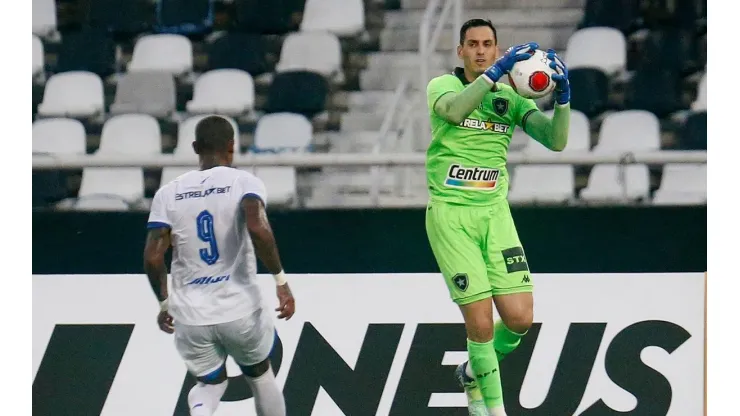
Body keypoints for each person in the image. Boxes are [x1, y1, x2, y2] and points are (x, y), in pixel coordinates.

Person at [424, 19, 571, 416]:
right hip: (452, 216)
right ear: (461, 51)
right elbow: (454, 113)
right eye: (472, 44)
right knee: (482, 325)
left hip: (495, 215)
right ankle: (492, 408)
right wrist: (493, 73)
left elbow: (556, 141)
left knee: (520, 319)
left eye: (488, 44)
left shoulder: (511, 99)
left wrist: (563, 100)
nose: (480, 51)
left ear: (496, 47)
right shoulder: (444, 87)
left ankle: (473, 373)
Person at [143, 115, 295, 416]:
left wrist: (163, 302)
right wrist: (280, 281)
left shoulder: (168, 193)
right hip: (238, 307)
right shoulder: (244, 182)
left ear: (196, 147)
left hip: (191, 314)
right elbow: (257, 227)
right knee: (260, 375)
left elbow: (152, 256)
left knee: (210, 385)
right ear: (232, 146)